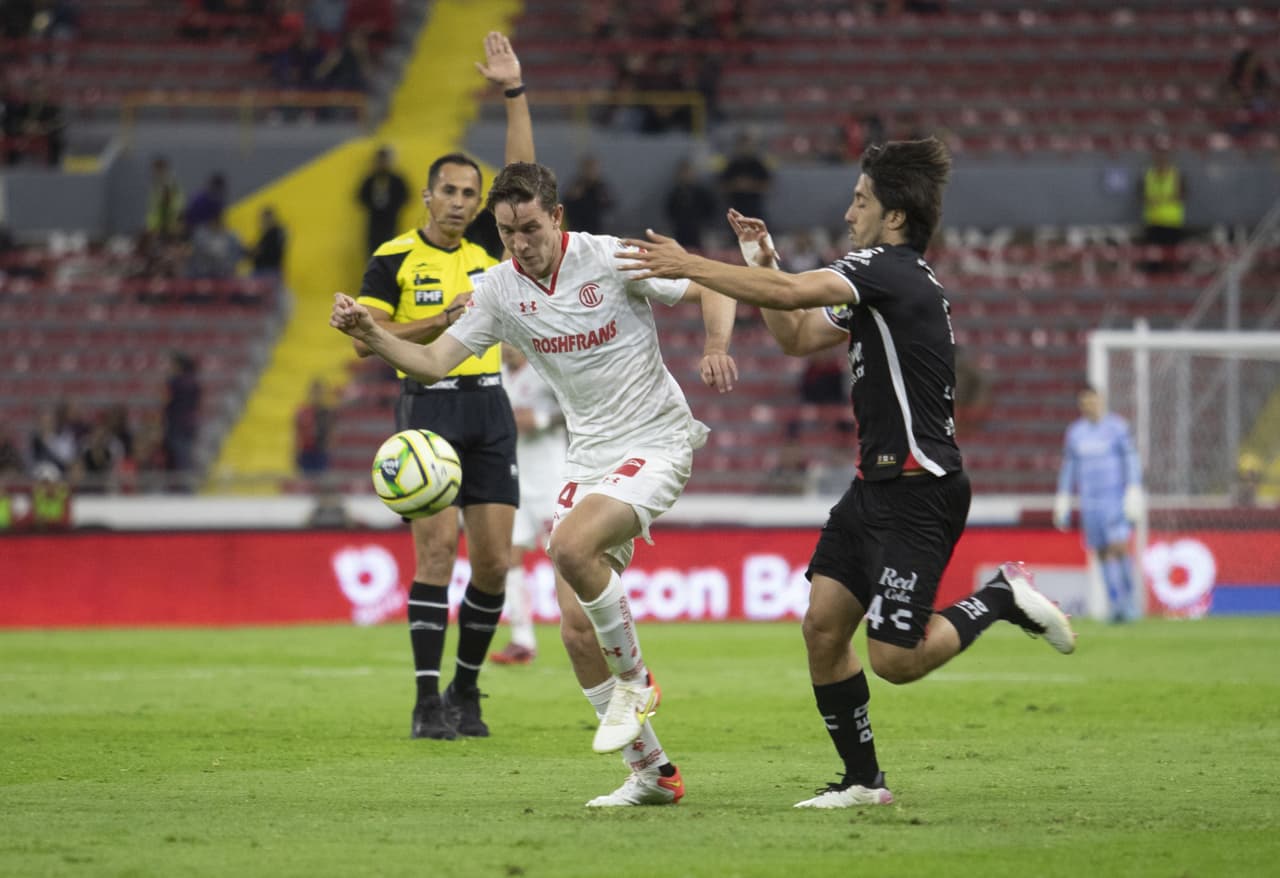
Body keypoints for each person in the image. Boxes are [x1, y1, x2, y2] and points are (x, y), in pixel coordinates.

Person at [616, 136, 1077, 809]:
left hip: (922, 491)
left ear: (893, 217)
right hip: (876, 488)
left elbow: (790, 292)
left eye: (860, 200)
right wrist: (762, 260)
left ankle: (1001, 597)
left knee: (895, 658)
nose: (847, 211)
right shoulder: (882, 286)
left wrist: (693, 265)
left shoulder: (887, 269)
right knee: (824, 627)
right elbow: (797, 335)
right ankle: (863, 781)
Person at [332, 159, 738, 807]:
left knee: (568, 548)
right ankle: (652, 774)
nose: (519, 243)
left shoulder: (611, 258)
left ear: (557, 218)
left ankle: (637, 680)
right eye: (506, 231)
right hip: (589, 459)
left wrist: (716, 344)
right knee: (576, 630)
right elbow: (434, 363)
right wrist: (372, 334)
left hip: (656, 441)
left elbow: (716, 284)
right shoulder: (496, 289)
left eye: (529, 228)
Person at [350, 32, 534, 743]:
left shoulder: (493, 241)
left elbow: (524, 169)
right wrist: (443, 317)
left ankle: (467, 688)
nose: (460, 202)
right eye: (449, 192)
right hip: (424, 412)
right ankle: (427, 700)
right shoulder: (392, 257)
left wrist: (513, 92)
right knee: (436, 555)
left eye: (469, 193)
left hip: (489, 405)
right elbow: (372, 337)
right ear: (427, 196)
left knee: (493, 561)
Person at [489, 342, 567, 666]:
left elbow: (576, 408)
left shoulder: (546, 370)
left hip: (552, 479)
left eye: (509, 340)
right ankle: (522, 640)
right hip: (515, 479)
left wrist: (541, 419)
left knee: (564, 557)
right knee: (509, 556)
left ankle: (585, 630)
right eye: (501, 340)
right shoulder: (497, 378)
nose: (505, 347)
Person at [1053, 385, 1144, 624]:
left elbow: (1130, 458)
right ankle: (1115, 605)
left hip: (1113, 499)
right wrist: (1063, 497)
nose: (1089, 407)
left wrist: (1133, 488)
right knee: (1102, 552)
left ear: (1101, 400)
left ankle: (1130, 602)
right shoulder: (1075, 433)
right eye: (1084, 403)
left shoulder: (1117, 427)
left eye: (1092, 401)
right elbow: (1069, 467)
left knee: (1119, 547)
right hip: (1089, 502)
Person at [356, 145, 409, 258]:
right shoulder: (370, 180)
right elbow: (360, 196)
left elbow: (406, 196)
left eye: (384, 160)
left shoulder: (397, 180)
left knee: (391, 253)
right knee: (373, 254)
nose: (382, 163)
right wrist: (373, 207)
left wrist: (394, 208)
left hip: (391, 222)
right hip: (374, 223)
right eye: (380, 160)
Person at [663, 158, 717, 251]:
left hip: (699, 230)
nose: (686, 175)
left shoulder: (701, 192)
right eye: (683, 173)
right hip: (680, 229)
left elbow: (711, 208)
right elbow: (669, 210)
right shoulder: (675, 193)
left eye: (688, 172)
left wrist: (704, 222)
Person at [561, 155, 614, 235]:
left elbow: (611, 205)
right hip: (578, 229)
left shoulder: (600, 187)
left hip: (598, 230)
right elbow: (565, 203)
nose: (591, 171)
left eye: (593, 168)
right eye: (588, 168)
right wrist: (573, 197)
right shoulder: (577, 185)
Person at [294, 377, 334, 476]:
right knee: (306, 481)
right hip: (305, 452)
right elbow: (297, 433)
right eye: (315, 392)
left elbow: (331, 433)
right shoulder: (302, 411)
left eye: (320, 392)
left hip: (321, 453)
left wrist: (328, 450)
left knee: (320, 482)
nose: (317, 395)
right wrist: (296, 451)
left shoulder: (327, 412)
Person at [250, 205, 287, 278]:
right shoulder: (273, 233)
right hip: (271, 271)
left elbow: (258, 251)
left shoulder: (273, 233)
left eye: (265, 219)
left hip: (266, 272)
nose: (262, 222)